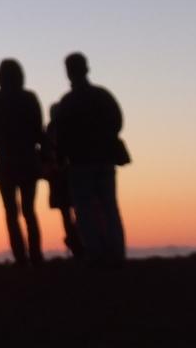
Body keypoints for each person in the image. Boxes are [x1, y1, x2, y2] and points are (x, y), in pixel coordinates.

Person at [53, 52, 128, 265]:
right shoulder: (102, 96)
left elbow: (61, 134)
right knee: (109, 206)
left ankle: (95, 253)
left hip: (80, 163)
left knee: (85, 210)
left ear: (69, 73)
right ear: (86, 68)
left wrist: (62, 156)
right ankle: (116, 252)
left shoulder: (68, 102)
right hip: (104, 159)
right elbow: (117, 122)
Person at [0, 59, 45, 265]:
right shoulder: (29, 98)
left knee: (11, 212)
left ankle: (21, 255)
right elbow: (39, 129)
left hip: (5, 161)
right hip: (27, 159)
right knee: (29, 210)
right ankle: (35, 254)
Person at [42, 101, 82, 259]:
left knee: (66, 214)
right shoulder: (71, 130)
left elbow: (45, 155)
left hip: (57, 178)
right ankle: (78, 242)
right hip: (71, 176)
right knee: (79, 211)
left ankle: (75, 243)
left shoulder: (48, 132)